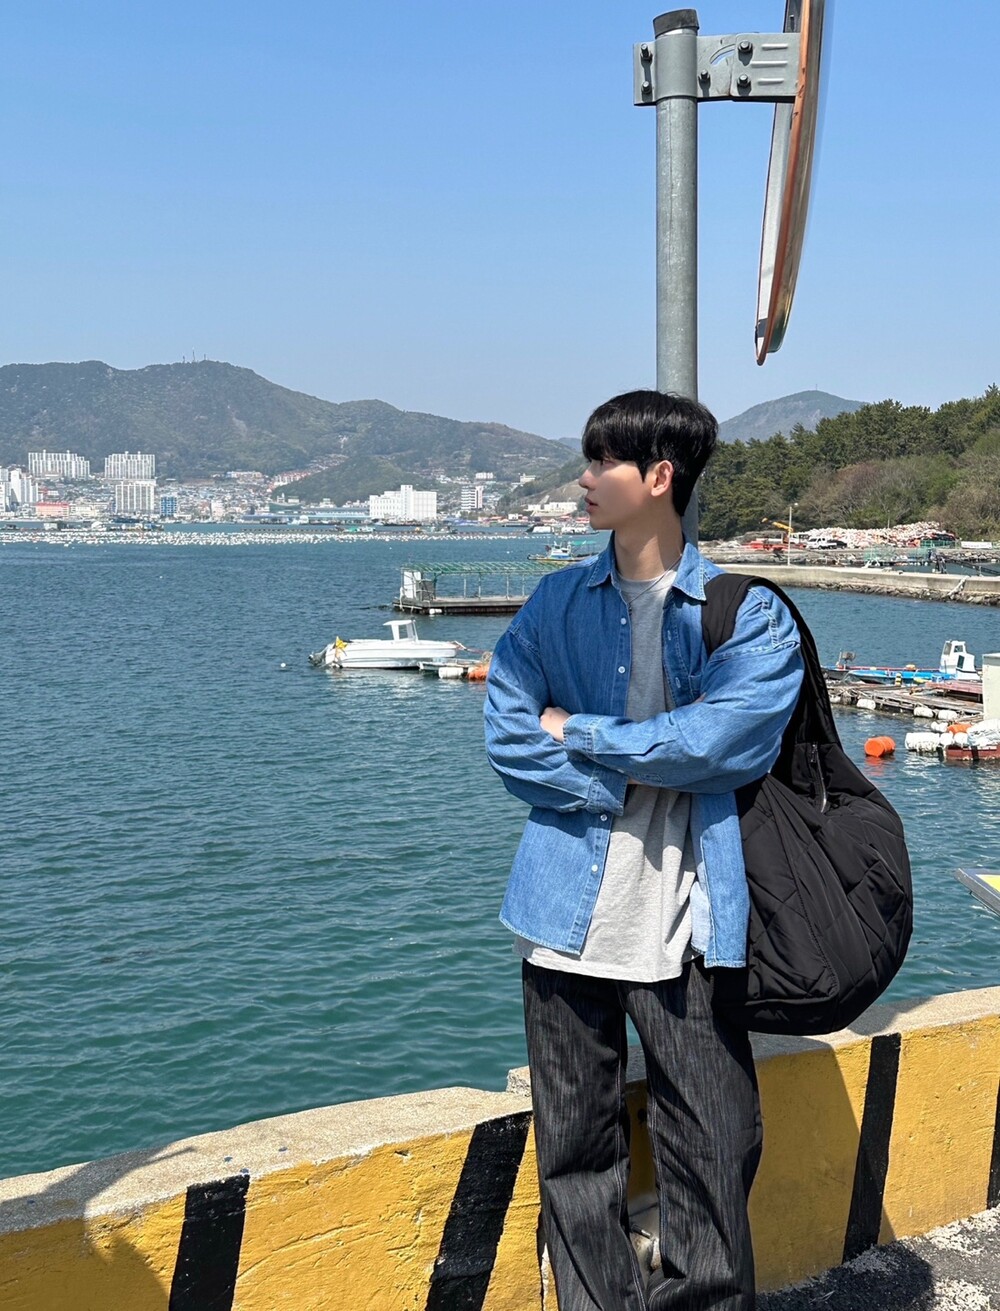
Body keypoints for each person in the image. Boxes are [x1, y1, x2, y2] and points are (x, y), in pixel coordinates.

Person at [483, 390, 804, 1311]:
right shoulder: (554, 602)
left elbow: (727, 740)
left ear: (660, 476)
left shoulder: (745, 614)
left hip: (690, 920)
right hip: (560, 915)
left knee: (712, 1144)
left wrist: (582, 732)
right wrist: (629, 778)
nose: (583, 479)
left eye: (602, 462)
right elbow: (507, 735)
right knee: (573, 1155)